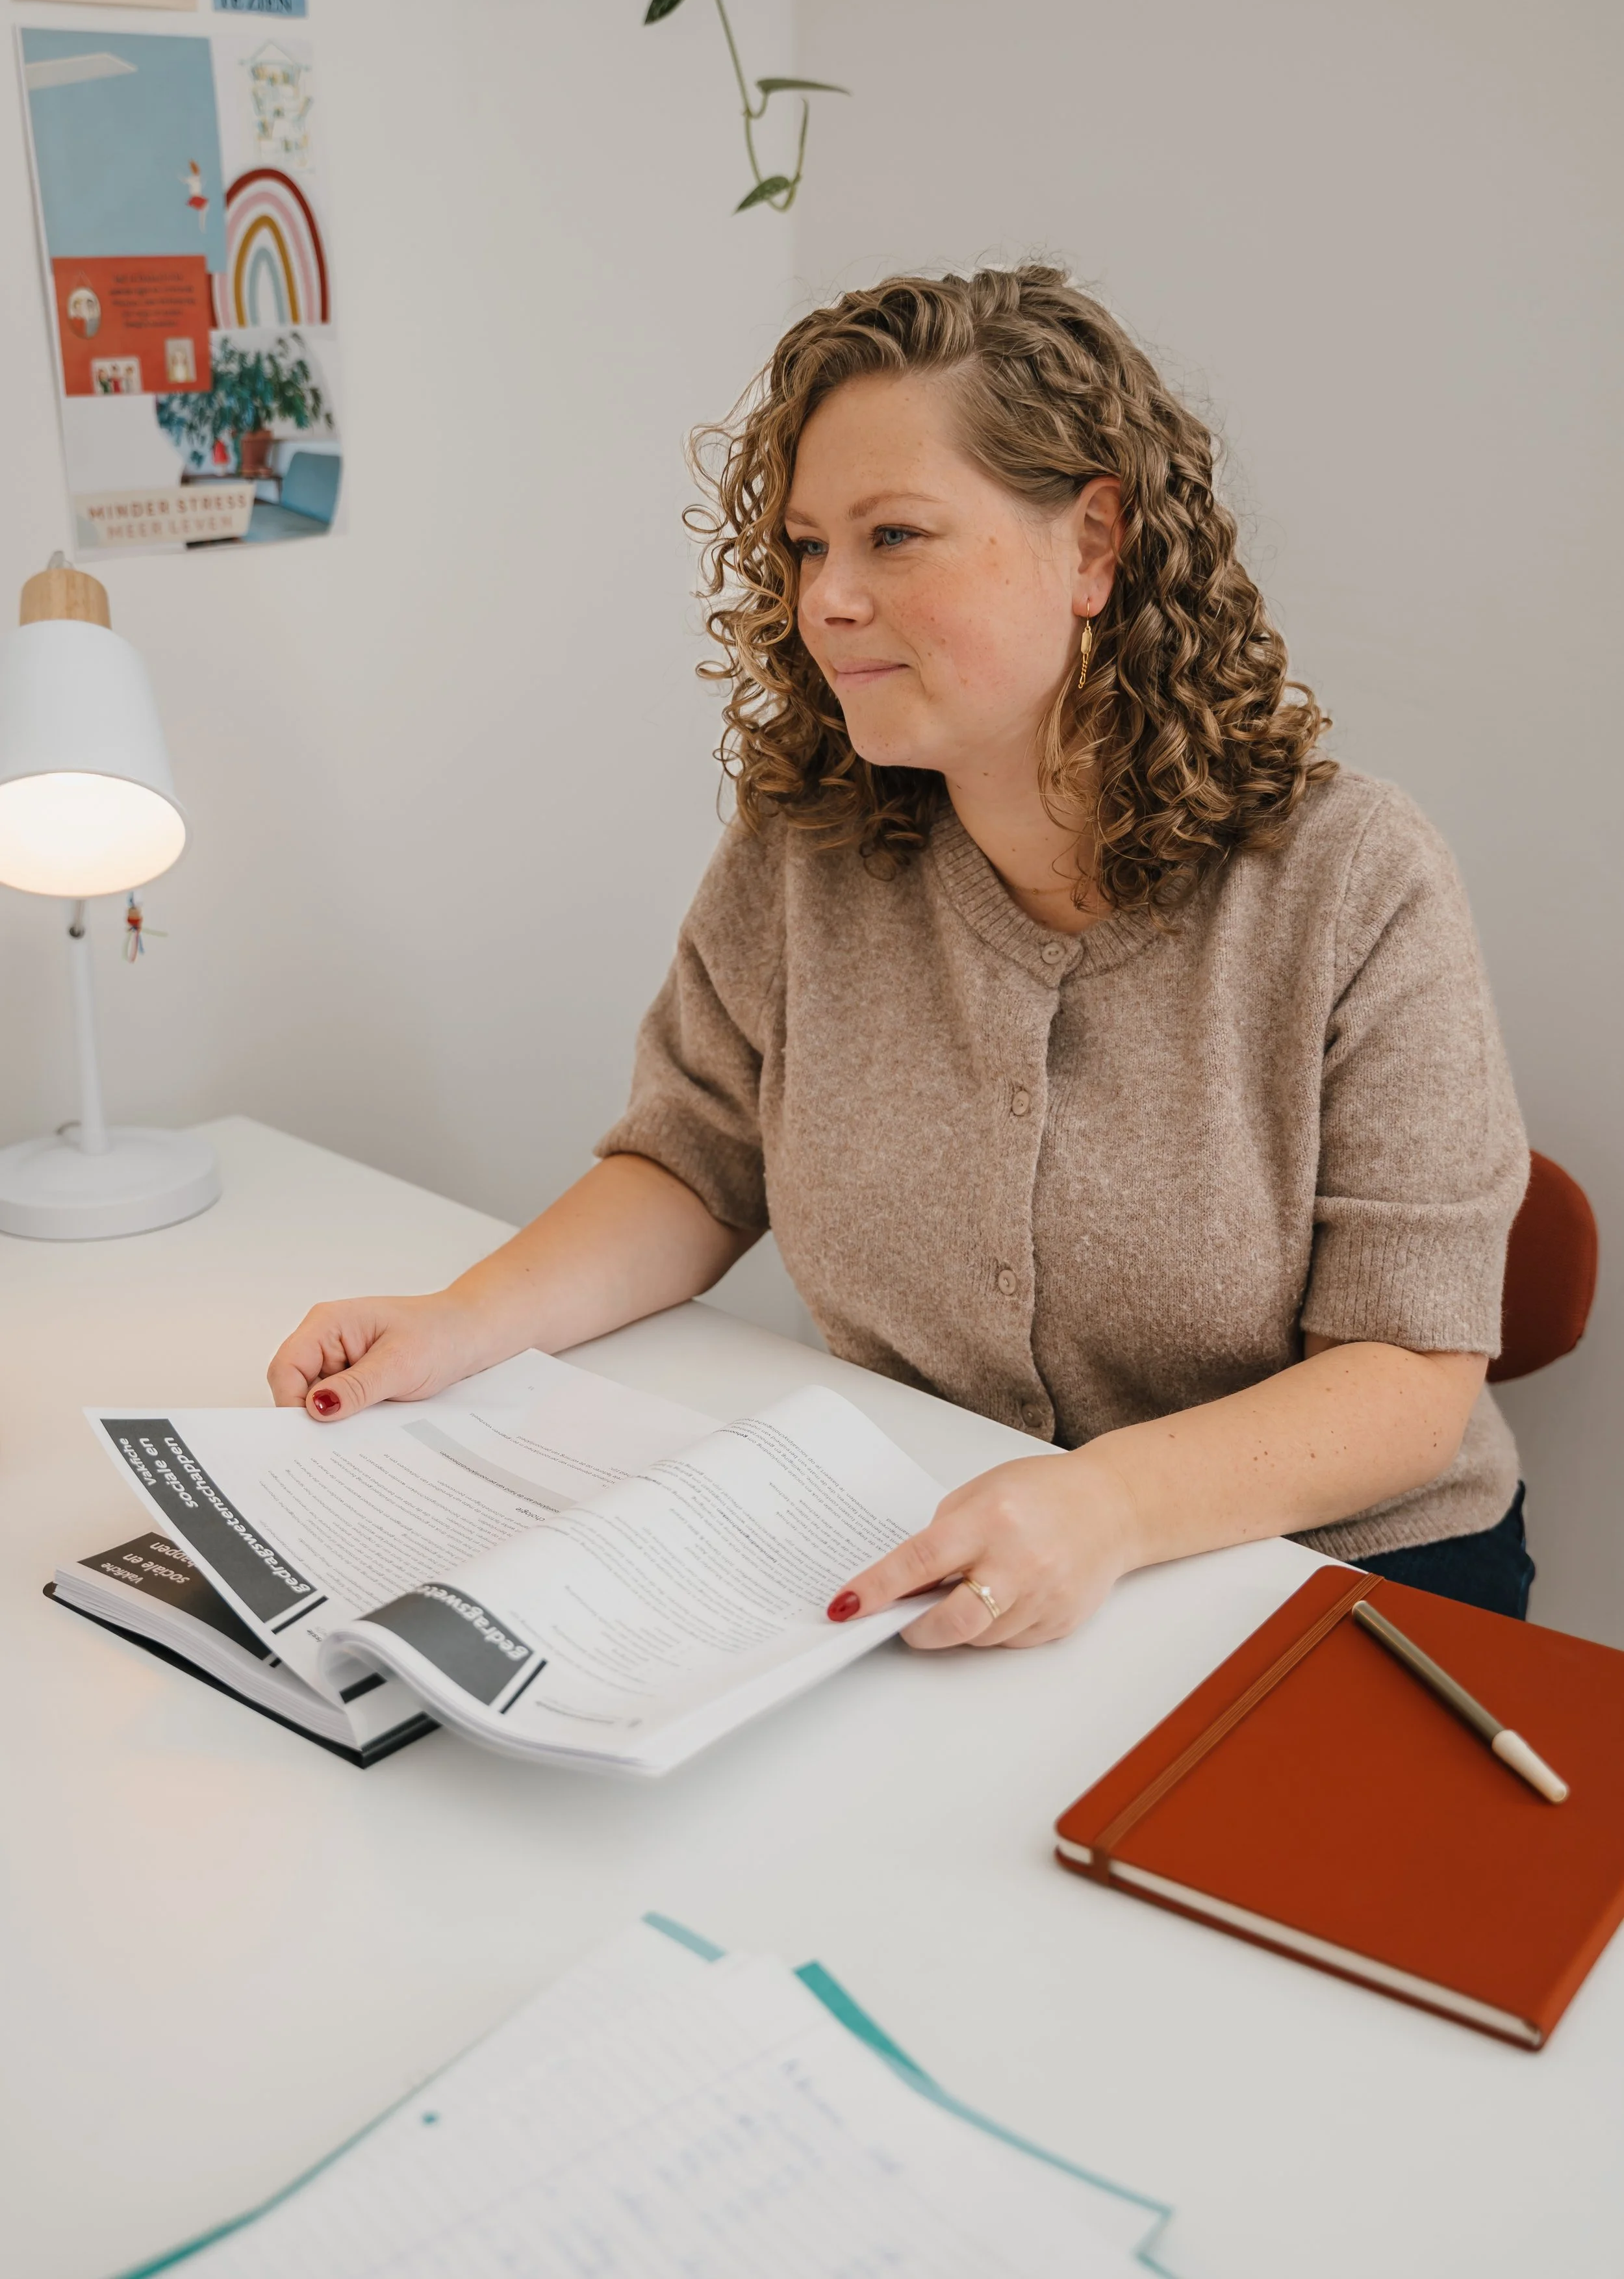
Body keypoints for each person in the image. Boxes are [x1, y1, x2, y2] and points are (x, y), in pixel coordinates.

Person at [268, 265, 1532, 1643]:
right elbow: (693, 1163)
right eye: (809, 547)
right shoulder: (805, 847)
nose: (828, 601)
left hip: (1334, 1589)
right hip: (942, 1551)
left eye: (894, 536)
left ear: (1094, 544)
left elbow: (1409, 1374)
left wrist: (1104, 1507)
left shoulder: (1351, 880)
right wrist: (459, 1327)